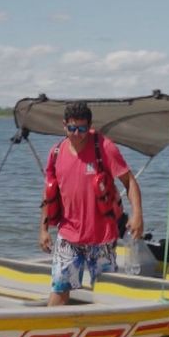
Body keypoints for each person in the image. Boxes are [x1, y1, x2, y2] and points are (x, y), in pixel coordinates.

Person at [39, 101, 144, 306]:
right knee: (59, 289)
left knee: (106, 294)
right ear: (64, 126)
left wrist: (137, 214)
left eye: (82, 129)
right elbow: (49, 194)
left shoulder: (104, 148)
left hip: (102, 239)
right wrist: (43, 230)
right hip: (68, 237)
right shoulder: (56, 153)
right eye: (72, 128)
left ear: (90, 126)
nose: (77, 134)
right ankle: (50, 332)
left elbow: (129, 181)